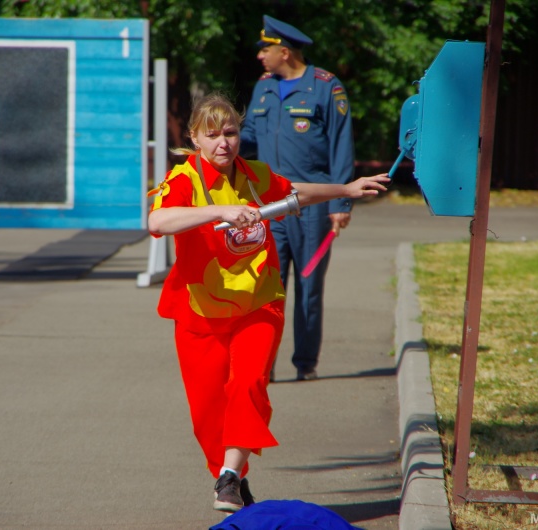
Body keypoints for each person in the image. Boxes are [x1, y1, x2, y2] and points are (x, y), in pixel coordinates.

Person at [148, 92, 388, 513]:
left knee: (249, 383)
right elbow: (158, 221)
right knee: (207, 417)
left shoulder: (255, 174)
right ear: (194, 138)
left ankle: (228, 476)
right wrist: (218, 211)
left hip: (259, 304)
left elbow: (295, 193)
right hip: (200, 312)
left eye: (231, 132)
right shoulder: (185, 178)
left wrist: (346, 189)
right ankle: (235, 480)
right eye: (213, 135)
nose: (224, 142)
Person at [240, 15, 355, 381]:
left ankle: (305, 364)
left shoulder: (326, 88)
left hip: (312, 206)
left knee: (308, 288)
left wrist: (339, 206)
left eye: (265, 50)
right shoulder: (263, 87)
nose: (260, 57)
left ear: (284, 52)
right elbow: (249, 138)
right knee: (266, 290)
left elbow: (341, 148)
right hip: (270, 207)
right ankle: (264, 366)